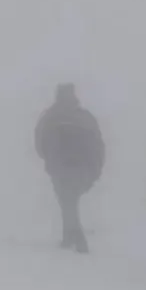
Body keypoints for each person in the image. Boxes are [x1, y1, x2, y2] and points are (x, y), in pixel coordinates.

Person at [34, 83, 105, 253]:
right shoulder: (85, 117)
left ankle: (79, 240)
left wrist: (48, 160)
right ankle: (68, 236)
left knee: (67, 201)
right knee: (69, 201)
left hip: (61, 168)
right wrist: (96, 169)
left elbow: (39, 141)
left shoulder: (51, 116)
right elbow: (99, 145)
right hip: (84, 169)